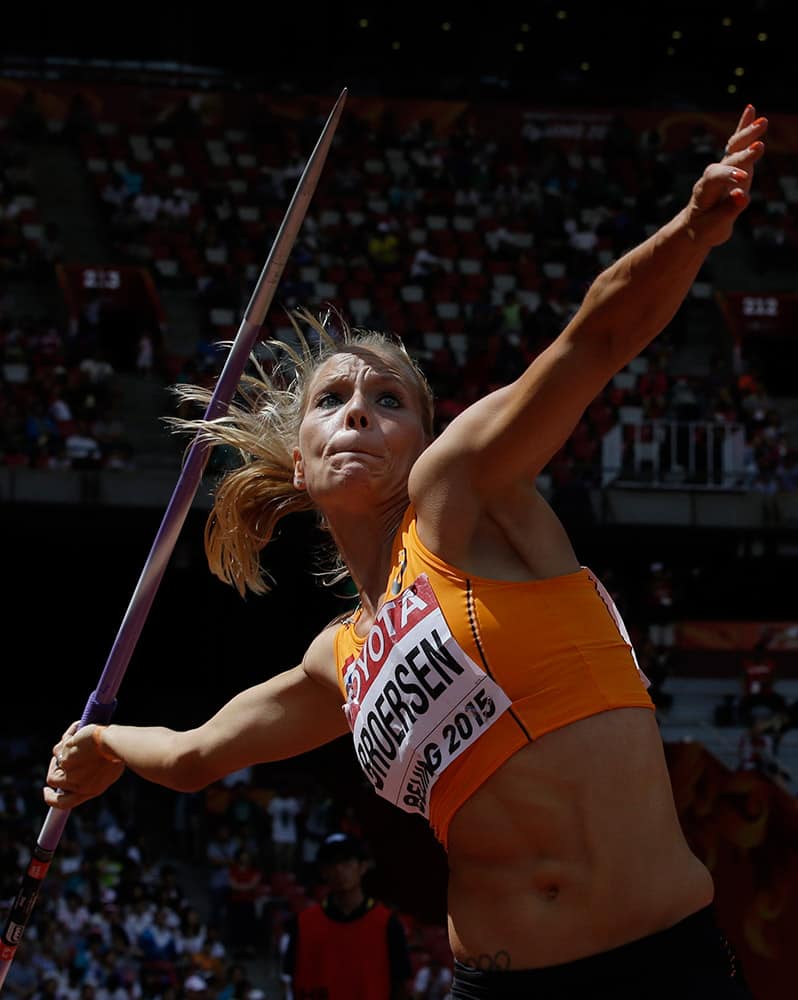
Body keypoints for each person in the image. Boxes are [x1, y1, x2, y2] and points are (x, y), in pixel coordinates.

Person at [45, 106, 768, 999]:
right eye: (333, 399)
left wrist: (693, 230)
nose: (358, 410)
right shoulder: (338, 658)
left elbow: (596, 341)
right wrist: (105, 742)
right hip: (495, 984)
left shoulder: (462, 496)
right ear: (300, 465)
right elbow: (197, 757)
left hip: (661, 968)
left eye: (389, 399)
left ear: (427, 438)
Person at [279, 832, 412, 1000]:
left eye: (347, 861)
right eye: (332, 863)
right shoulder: (302, 923)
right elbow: (291, 982)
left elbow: (401, 987)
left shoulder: (388, 924)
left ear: (363, 867)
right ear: (323, 871)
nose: (339, 869)